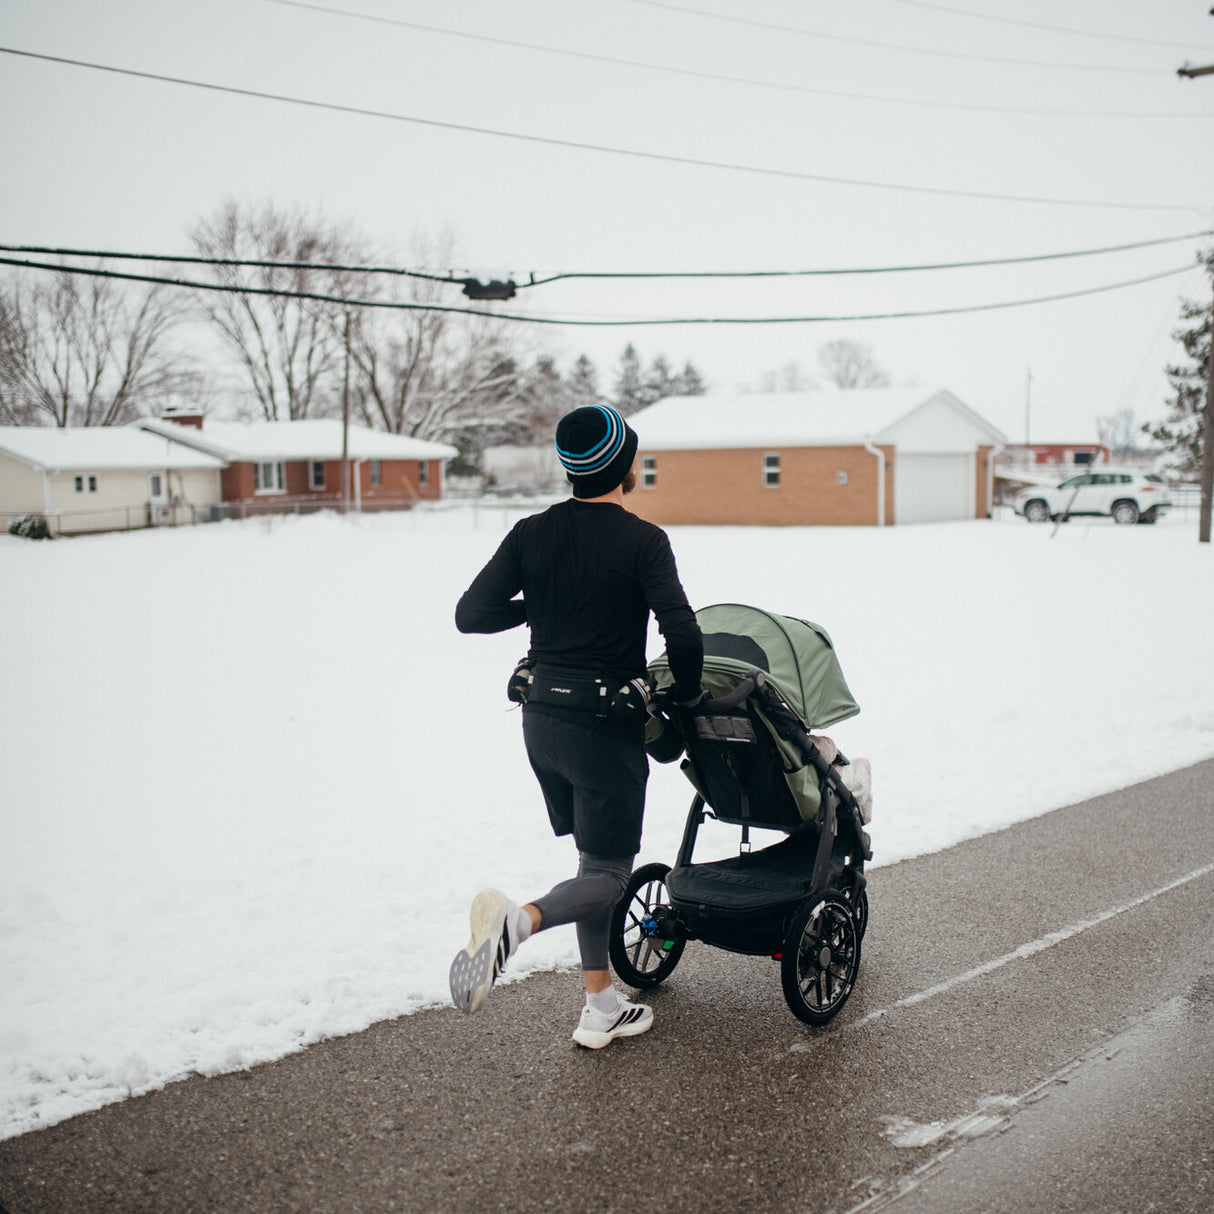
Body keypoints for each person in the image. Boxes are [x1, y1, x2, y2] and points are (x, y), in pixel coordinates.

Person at [450, 403, 703, 1049]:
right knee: (612, 875)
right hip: (604, 726)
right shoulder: (643, 541)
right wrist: (688, 698)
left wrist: (542, 598)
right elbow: (682, 634)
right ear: (625, 465)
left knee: (594, 867)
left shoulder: (531, 532)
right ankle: (520, 922)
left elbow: (472, 614)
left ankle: (600, 1005)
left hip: (541, 722)